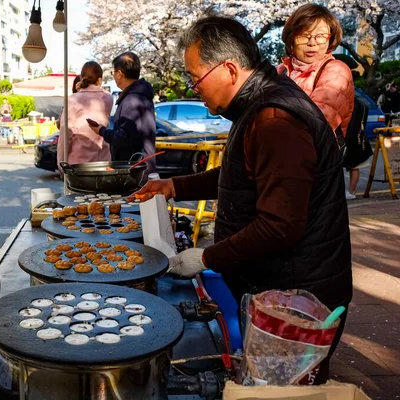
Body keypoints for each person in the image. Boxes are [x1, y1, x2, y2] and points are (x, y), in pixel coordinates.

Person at [135, 16, 352, 384]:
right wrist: (174, 187)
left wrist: (204, 257)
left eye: (195, 78)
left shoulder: (275, 118)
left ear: (230, 69)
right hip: (277, 286)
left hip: (296, 300)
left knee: (281, 389)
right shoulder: (257, 107)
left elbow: (279, 225)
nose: (193, 88)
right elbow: (244, 176)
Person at [278, 4, 358, 199]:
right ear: (291, 37)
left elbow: (317, 121)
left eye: (321, 35)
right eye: (304, 35)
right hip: (278, 170)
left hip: (313, 173)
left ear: (330, 38)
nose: (313, 42)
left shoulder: (336, 70)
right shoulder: (280, 71)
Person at [88, 52, 156, 177]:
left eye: (113, 72)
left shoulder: (130, 100)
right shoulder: (143, 95)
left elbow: (124, 137)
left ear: (119, 73)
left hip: (133, 170)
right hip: (144, 165)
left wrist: (101, 131)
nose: (113, 75)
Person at [57, 62, 113, 166]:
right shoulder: (108, 99)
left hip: (78, 163)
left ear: (81, 77)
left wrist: (61, 161)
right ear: (99, 79)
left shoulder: (73, 100)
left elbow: (66, 134)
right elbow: (103, 92)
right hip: (103, 161)